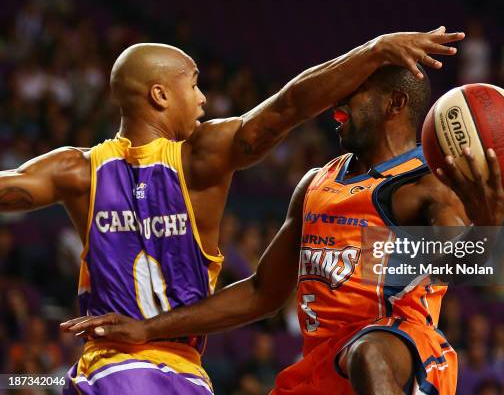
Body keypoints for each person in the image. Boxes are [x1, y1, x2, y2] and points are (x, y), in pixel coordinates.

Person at [1, 29, 464, 395]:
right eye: (195, 84)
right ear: (161, 96)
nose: (204, 99)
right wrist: (374, 50)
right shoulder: (208, 159)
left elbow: (470, 259)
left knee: (373, 352)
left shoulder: (74, 170)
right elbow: (289, 107)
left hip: (109, 370)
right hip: (180, 374)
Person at [62, 59, 504, 394]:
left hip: (398, 349)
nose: (338, 105)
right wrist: (149, 329)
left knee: (368, 351)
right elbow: (261, 292)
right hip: (321, 364)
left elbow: (461, 266)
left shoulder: (426, 184)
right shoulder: (316, 182)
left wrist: (489, 223)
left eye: (353, 95)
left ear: (394, 104)